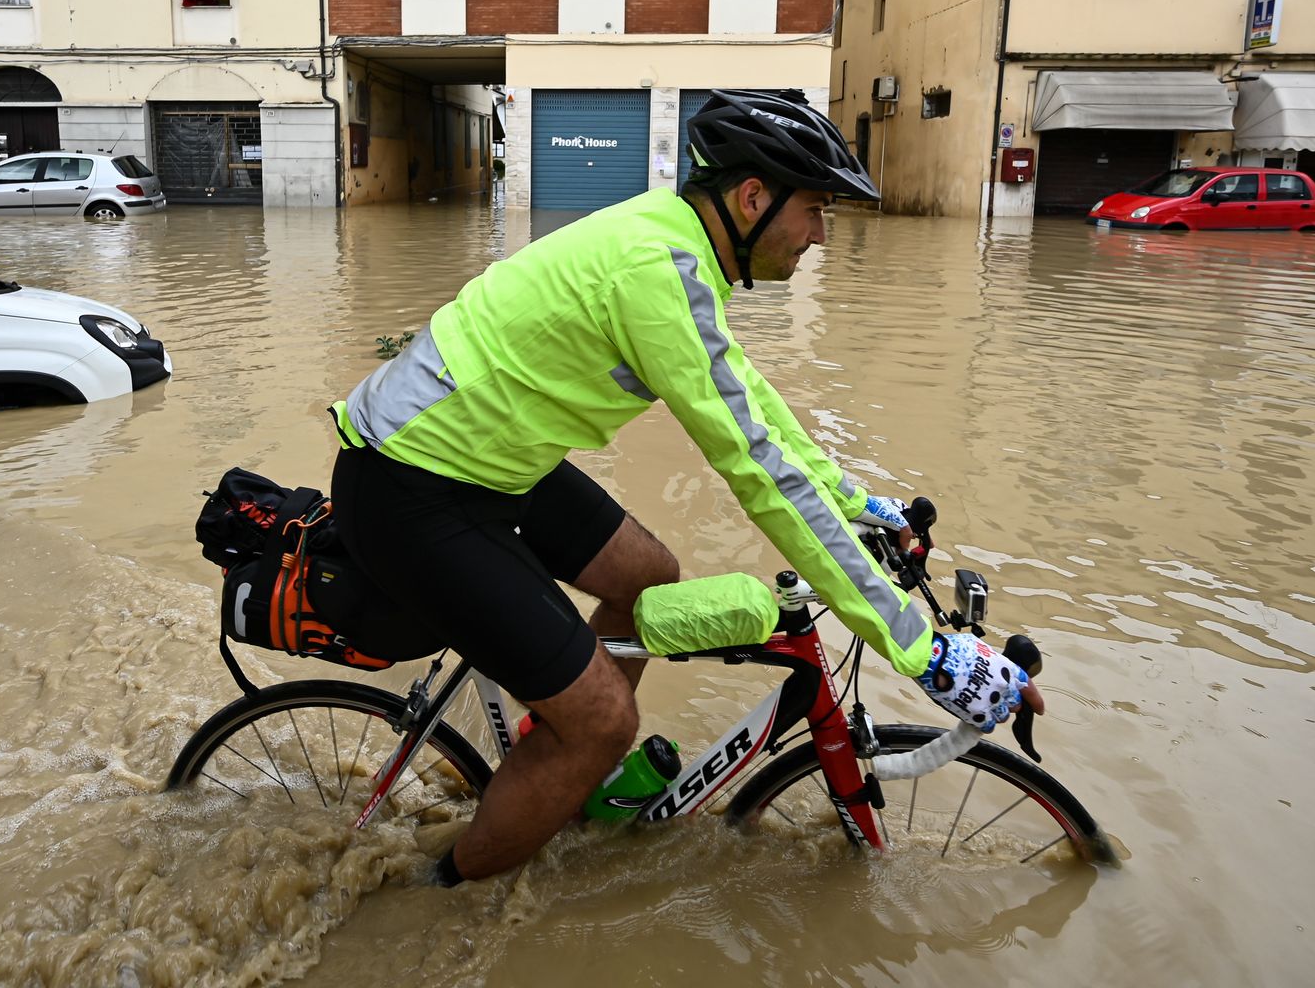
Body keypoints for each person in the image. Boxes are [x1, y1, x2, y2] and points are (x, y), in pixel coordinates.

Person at [328, 90, 1039, 885]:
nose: (819, 234)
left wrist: (856, 502)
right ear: (751, 198)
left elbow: (753, 409)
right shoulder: (656, 270)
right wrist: (922, 649)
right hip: (412, 486)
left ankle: (550, 764)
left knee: (647, 576)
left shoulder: (681, 251)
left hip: (488, 461)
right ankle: (441, 895)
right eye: (813, 210)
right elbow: (758, 474)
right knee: (604, 723)